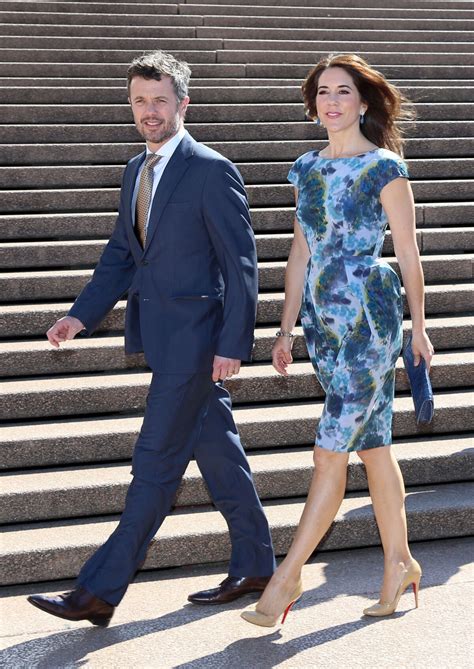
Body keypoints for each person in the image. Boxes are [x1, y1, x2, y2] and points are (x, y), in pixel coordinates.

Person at [27, 50, 275, 627]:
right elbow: (121, 254)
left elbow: (240, 265)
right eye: (140, 100)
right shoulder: (134, 170)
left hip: (197, 342)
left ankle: (99, 589)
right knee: (219, 455)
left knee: (155, 465)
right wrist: (79, 316)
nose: (149, 111)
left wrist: (234, 342)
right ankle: (258, 563)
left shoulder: (211, 169)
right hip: (162, 340)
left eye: (160, 100)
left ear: (182, 103)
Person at [241, 53, 434, 628]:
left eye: (342, 91)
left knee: (330, 450)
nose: (331, 101)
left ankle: (287, 577)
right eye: (322, 92)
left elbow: (408, 253)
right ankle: (399, 562)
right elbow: (300, 252)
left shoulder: (385, 169)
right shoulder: (305, 168)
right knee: (373, 445)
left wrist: (419, 327)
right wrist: (284, 326)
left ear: (364, 101)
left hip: (371, 317)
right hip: (324, 323)